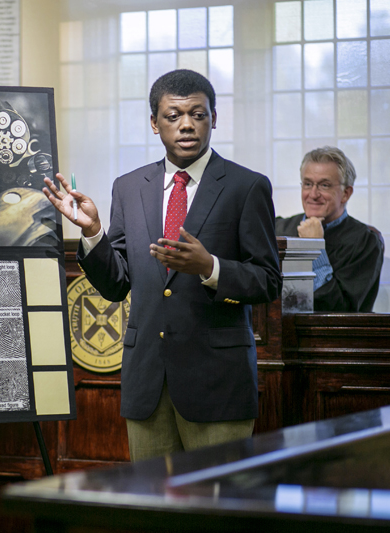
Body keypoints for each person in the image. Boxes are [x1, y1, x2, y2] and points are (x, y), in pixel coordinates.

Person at [44, 69, 281, 461]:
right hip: (147, 384)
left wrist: (211, 268)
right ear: (155, 124)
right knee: (150, 506)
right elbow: (117, 285)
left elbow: (269, 281)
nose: (186, 124)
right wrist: (93, 233)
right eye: (173, 116)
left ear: (214, 119)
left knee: (217, 505)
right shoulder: (129, 186)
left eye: (198, 114)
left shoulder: (246, 186)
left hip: (217, 384)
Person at [275, 146, 384, 312]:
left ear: (346, 193)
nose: (313, 194)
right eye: (307, 184)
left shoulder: (365, 241)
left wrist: (314, 248)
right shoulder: (278, 229)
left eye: (324, 185)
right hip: (276, 332)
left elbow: (340, 309)